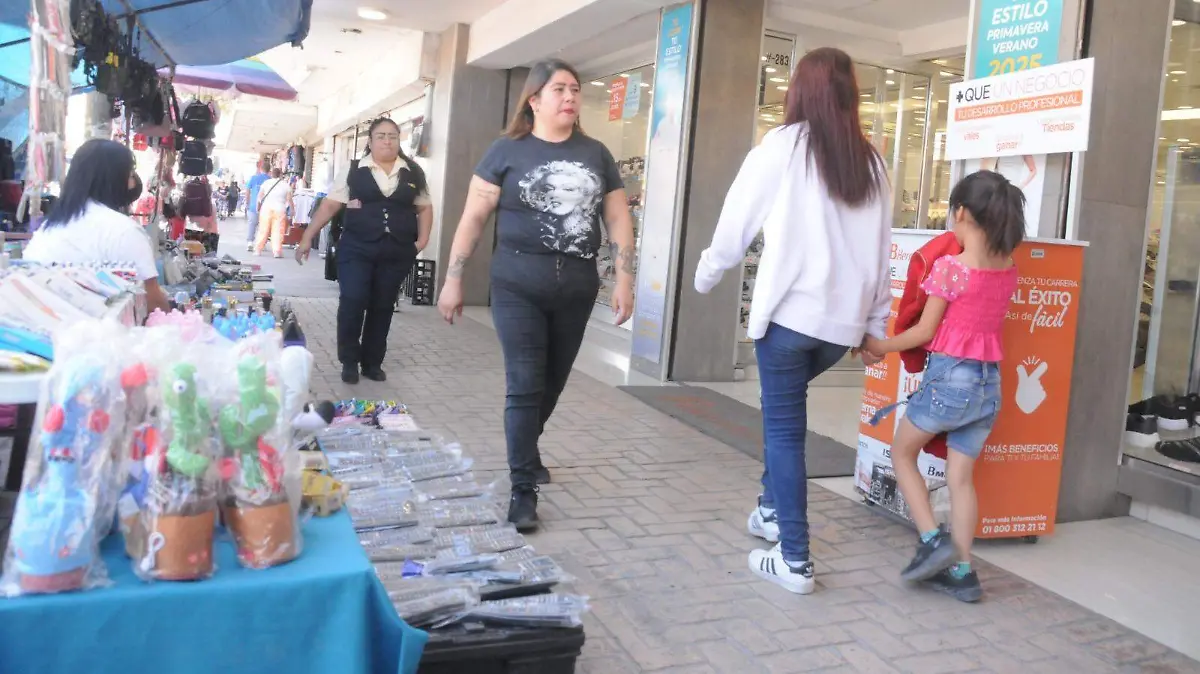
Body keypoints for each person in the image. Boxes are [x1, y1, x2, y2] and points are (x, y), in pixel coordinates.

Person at [692, 47, 891, 595]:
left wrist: (706, 274)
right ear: (851, 95)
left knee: (783, 430)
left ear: (799, 91)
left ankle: (796, 559)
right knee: (783, 417)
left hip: (788, 324)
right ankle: (769, 510)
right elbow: (881, 250)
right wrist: (875, 321)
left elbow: (737, 219)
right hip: (839, 329)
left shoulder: (783, 147)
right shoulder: (871, 160)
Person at [436, 59, 636, 532]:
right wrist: (453, 277)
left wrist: (624, 278)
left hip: (578, 286)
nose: (570, 97)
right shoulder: (506, 150)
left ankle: (526, 445)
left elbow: (618, 218)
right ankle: (522, 486)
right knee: (525, 382)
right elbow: (474, 216)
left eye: (575, 90)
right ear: (534, 99)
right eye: (559, 89)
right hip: (517, 283)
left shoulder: (596, 153)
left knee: (552, 383)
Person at [862, 170, 1024, 603]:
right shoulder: (1008, 268)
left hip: (952, 381)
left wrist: (880, 345)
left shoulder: (952, 269)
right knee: (961, 479)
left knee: (902, 452)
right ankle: (963, 573)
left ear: (963, 213)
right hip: (990, 386)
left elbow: (923, 332)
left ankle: (932, 540)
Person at [296, 117, 433, 384]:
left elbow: (424, 208)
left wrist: (422, 242)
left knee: (382, 305)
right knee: (353, 299)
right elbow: (330, 206)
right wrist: (306, 238)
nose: (387, 140)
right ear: (370, 141)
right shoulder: (354, 169)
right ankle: (349, 359)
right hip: (356, 248)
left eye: (392, 136)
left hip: (396, 251)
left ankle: (372, 362)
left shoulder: (413, 171)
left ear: (399, 140)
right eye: (381, 136)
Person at [23, 139, 170, 315]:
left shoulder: (50, 226)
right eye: (130, 175)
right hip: (95, 335)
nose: (133, 184)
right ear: (114, 179)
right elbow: (153, 303)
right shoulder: (124, 231)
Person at [253, 168, 292, 258]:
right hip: (280, 209)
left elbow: (259, 196)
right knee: (278, 230)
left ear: (272, 174)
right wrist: (292, 211)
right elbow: (289, 199)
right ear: (280, 174)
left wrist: (257, 207)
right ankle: (277, 251)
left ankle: (258, 250)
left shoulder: (266, 183)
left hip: (266, 208)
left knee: (263, 229)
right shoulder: (286, 185)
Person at [244, 163, 270, 252]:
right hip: (266, 207)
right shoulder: (270, 180)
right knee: (264, 225)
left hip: (253, 206)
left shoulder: (253, 178)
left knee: (252, 224)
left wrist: (247, 202)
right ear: (269, 170)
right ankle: (262, 243)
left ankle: (250, 243)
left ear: (260, 169)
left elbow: (247, 190)